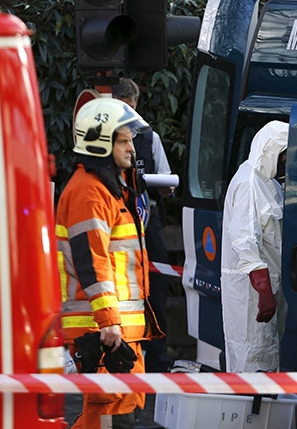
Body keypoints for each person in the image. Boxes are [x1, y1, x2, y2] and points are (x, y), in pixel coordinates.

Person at [56, 97, 158, 429]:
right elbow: (92, 261)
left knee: (115, 414)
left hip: (115, 331)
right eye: (124, 141)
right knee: (110, 418)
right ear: (101, 143)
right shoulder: (90, 192)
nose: (132, 149)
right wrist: (109, 322)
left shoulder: (105, 189)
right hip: (105, 331)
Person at [111, 77, 174, 373]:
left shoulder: (150, 138)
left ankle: (158, 359)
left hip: (147, 221)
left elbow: (166, 179)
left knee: (156, 287)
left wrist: (161, 186)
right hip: (118, 221)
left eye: (132, 106)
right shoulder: (105, 139)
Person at [220, 120, 289, 373]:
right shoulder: (249, 183)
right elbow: (243, 239)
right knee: (253, 356)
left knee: (264, 355)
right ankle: (251, 412)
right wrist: (263, 289)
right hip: (250, 294)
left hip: (263, 288)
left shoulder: (266, 182)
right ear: (273, 151)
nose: (285, 162)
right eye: (284, 156)